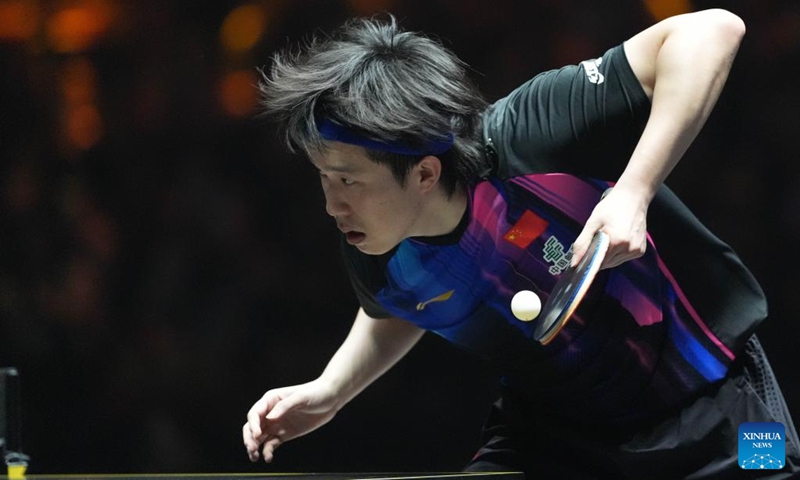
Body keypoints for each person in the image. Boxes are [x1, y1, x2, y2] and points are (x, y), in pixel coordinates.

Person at [242, 8, 800, 478]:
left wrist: (634, 191)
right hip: (555, 438)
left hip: (715, 400)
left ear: (425, 174)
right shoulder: (373, 242)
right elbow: (401, 302)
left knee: (771, 466)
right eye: (324, 178)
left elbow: (713, 31)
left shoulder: (531, 133)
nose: (331, 205)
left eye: (348, 180)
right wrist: (332, 389)